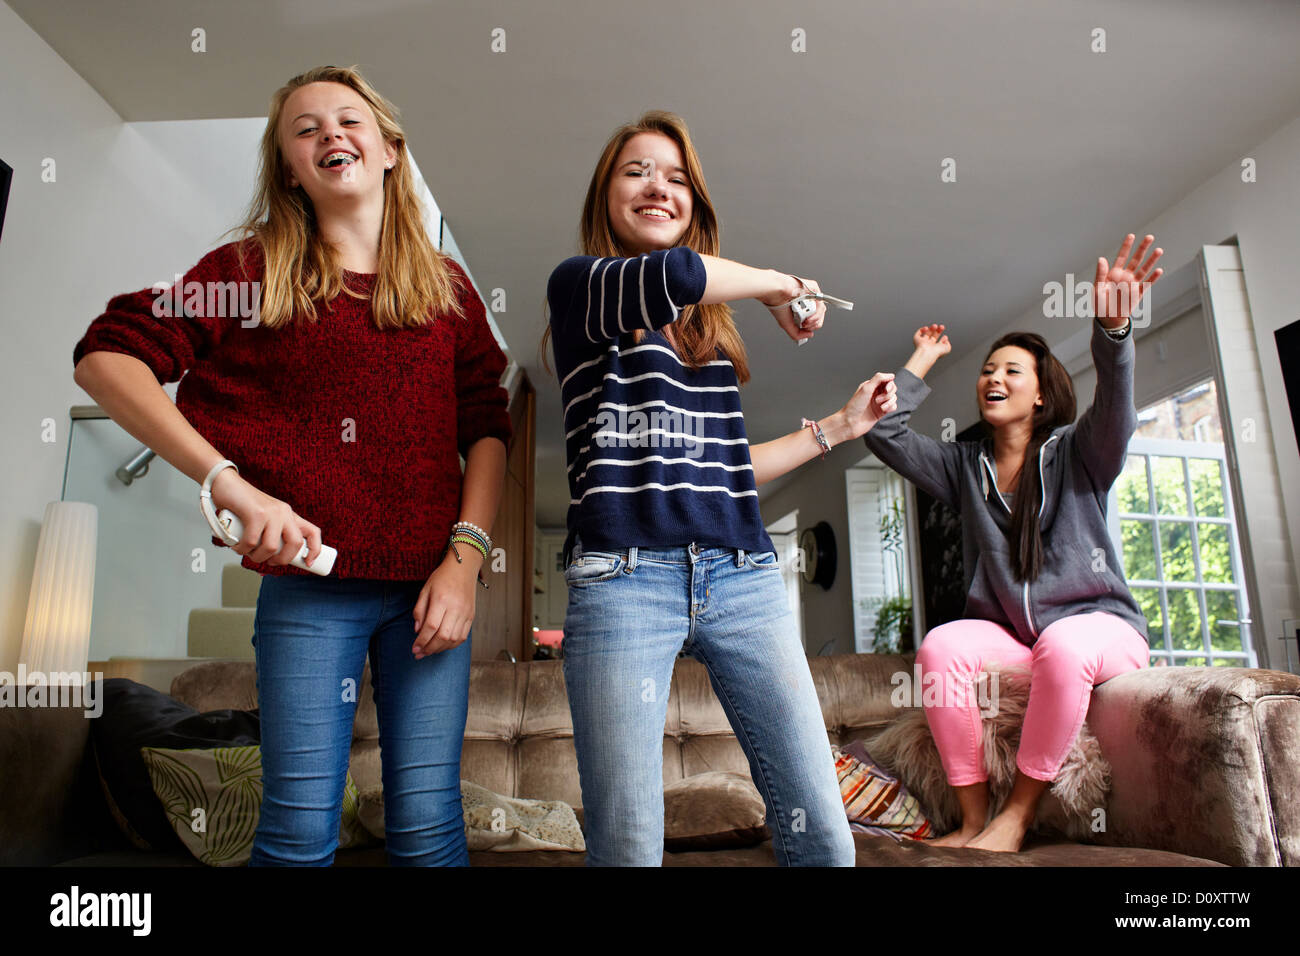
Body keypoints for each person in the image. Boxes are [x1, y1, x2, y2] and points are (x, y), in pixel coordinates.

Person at [72, 65, 511, 866]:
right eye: (304, 130)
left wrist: (465, 559)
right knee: (299, 832)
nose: (328, 135)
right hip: (308, 596)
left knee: (429, 829)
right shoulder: (248, 274)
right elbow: (108, 356)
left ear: (388, 149)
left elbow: (488, 426)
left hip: (430, 592)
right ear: (288, 168)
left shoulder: (449, 292)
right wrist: (226, 484)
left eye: (348, 120)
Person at [543, 110, 898, 866]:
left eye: (676, 178)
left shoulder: (708, 340)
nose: (657, 188)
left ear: (694, 206)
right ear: (606, 195)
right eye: (636, 172)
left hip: (744, 577)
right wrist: (782, 287)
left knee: (825, 838)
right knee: (630, 844)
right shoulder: (580, 290)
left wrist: (837, 426)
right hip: (623, 579)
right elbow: (678, 275)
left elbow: (728, 463)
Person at [863, 233, 1164, 852]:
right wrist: (920, 361)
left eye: (1010, 371)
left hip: (1098, 630)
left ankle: (1017, 815)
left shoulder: (1082, 452)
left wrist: (1113, 331)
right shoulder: (962, 466)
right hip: (1016, 639)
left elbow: (1117, 410)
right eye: (986, 370)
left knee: (1062, 642)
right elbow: (883, 433)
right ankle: (973, 819)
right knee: (942, 646)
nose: (992, 378)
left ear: (1041, 394)